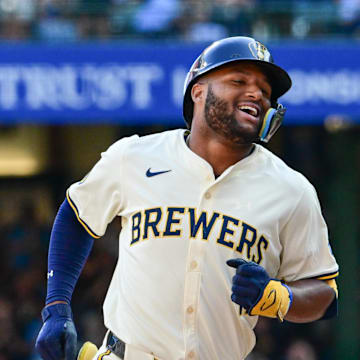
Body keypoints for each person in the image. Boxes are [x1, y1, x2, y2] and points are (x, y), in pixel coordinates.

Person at [35, 36, 339, 360]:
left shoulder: (292, 190)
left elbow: (325, 294)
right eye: (239, 80)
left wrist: (277, 297)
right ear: (198, 92)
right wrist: (56, 307)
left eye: (265, 91)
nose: (256, 93)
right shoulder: (134, 156)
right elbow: (76, 215)